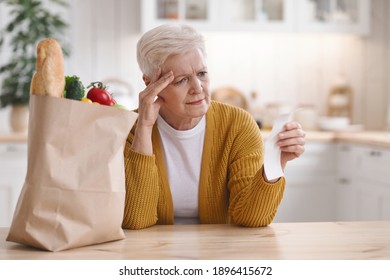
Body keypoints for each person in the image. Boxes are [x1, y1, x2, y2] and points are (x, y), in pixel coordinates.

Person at [122, 24, 306, 230]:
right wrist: (144, 127)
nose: (198, 88)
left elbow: (251, 218)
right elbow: (137, 221)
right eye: (181, 80)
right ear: (150, 83)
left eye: (201, 74)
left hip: (222, 252)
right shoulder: (127, 128)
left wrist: (276, 163)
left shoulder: (237, 124)